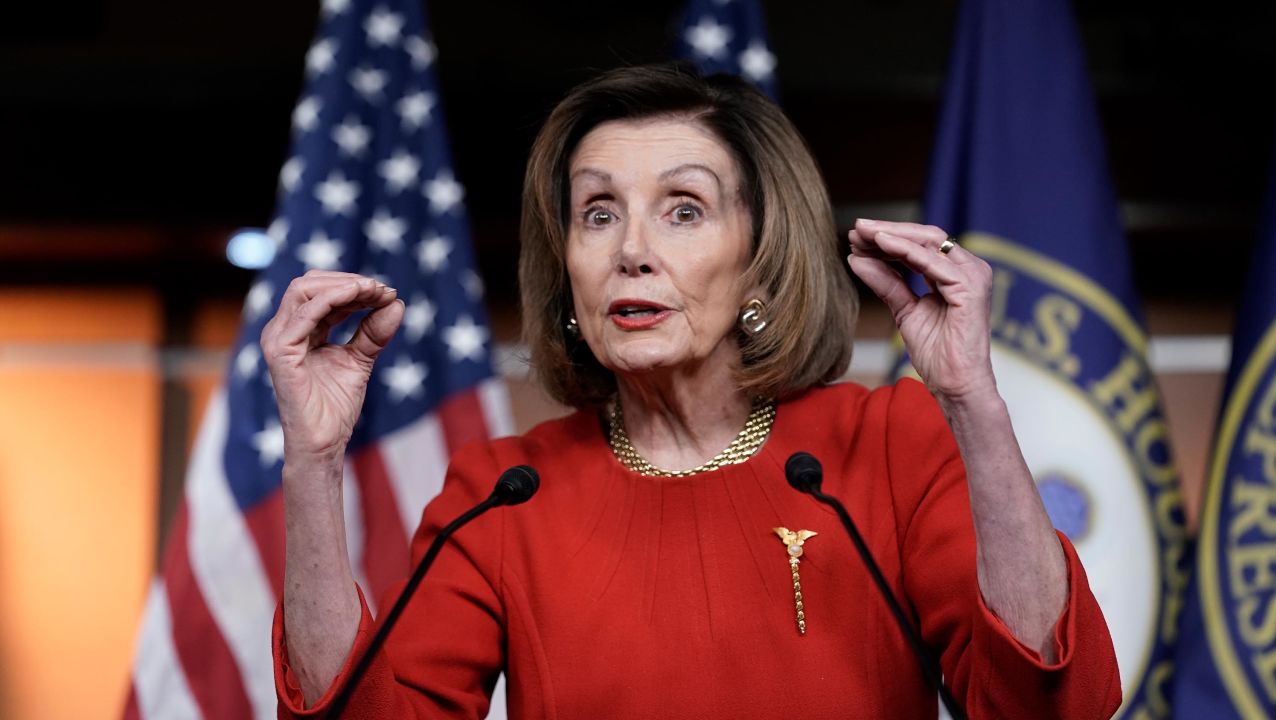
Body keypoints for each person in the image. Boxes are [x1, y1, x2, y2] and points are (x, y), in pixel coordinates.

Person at [264, 64, 1121, 718]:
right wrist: (312, 459)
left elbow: (1053, 699)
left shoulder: (887, 445)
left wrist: (972, 397)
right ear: (566, 270)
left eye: (683, 209)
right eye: (598, 213)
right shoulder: (500, 496)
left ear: (759, 259)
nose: (631, 249)